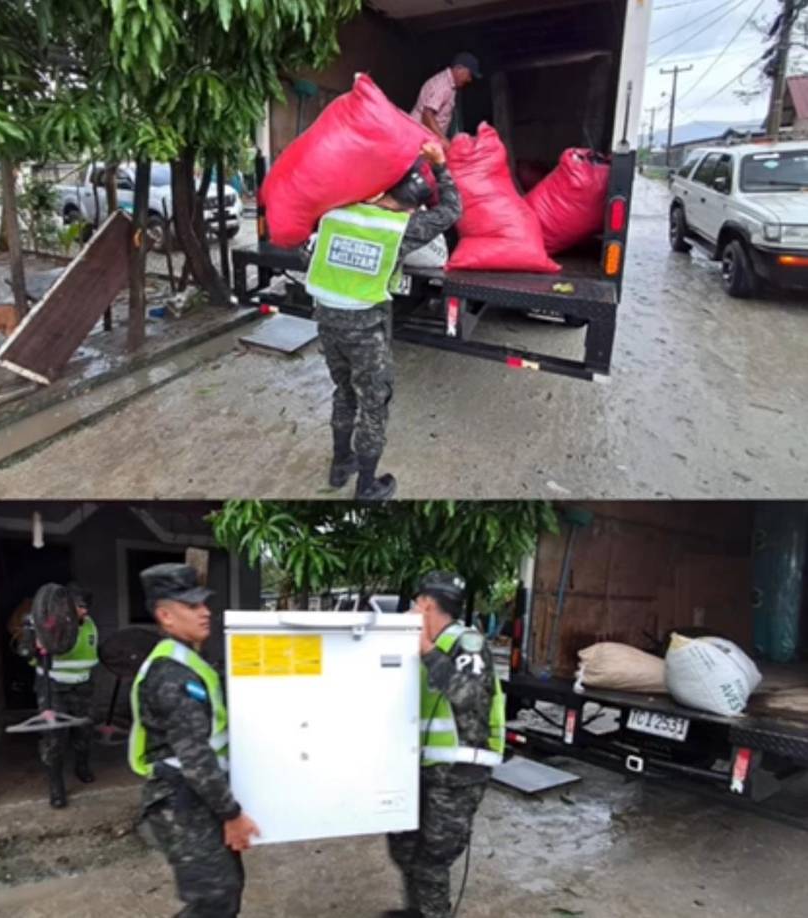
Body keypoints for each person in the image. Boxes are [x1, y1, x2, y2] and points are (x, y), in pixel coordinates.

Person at [305, 141, 462, 500]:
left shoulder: (336, 213)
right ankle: (366, 486)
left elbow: (308, 250)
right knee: (373, 404)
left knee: (343, 392)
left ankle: (339, 465)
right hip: (365, 326)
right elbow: (453, 209)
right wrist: (440, 165)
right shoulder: (399, 229)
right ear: (410, 206)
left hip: (327, 321)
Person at [129, 563, 260, 918]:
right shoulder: (172, 674)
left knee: (224, 891)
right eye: (192, 606)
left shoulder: (189, 661)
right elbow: (196, 757)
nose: (205, 612)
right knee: (213, 900)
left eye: (204, 604)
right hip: (181, 800)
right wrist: (231, 814)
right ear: (166, 616)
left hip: (197, 798)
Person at [385, 571, 506, 918]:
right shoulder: (418, 646)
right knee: (405, 848)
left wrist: (425, 649)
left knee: (432, 859)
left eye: (415, 603)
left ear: (426, 604)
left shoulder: (466, 642)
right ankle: (417, 911)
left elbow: (468, 695)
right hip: (422, 767)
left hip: (459, 770)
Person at [21, 582, 99, 808]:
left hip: (83, 687)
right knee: (55, 737)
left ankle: (82, 766)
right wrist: (34, 642)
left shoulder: (90, 625)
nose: (84, 611)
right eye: (79, 606)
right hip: (53, 687)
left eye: (86, 607)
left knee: (84, 731)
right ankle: (56, 787)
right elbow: (25, 652)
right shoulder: (49, 625)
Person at [410, 53, 483, 149]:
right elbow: (427, 114)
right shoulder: (443, 86)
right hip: (418, 140)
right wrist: (444, 140)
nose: (469, 80)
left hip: (425, 140)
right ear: (459, 68)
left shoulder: (450, 84)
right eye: (469, 75)